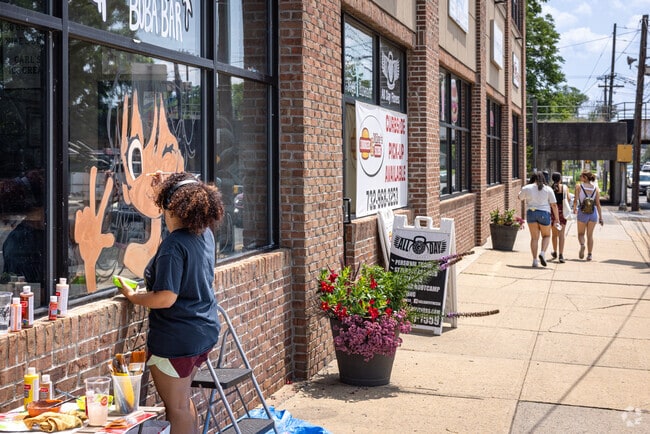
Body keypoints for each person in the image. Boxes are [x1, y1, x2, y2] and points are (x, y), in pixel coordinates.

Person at [116, 172, 224, 434]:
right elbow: (191, 188)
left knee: (175, 408)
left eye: (163, 200)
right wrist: (169, 183)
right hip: (203, 331)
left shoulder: (174, 246)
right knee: (183, 402)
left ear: (171, 206)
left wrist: (133, 297)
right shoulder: (204, 234)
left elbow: (165, 298)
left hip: (177, 338)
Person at [518, 172, 560, 267]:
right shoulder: (548, 189)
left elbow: (519, 198)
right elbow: (554, 204)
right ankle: (542, 253)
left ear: (532, 179)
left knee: (534, 238)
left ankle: (534, 260)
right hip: (544, 213)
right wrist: (557, 219)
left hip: (531, 213)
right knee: (546, 236)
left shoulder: (527, 187)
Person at [572, 170, 603, 261]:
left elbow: (575, 200)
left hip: (582, 212)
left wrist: (574, 209)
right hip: (593, 213)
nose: (580, 178)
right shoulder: (596, 188)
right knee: (590, 235)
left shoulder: (579, 187)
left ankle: (582, 245)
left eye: (581, 176)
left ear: (585, 178)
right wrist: (600, 217)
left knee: (580, 234)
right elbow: (598, 204)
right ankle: (589, 255)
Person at [550, 172, 568, 263]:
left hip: (553, 212)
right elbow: (567, 199)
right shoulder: (564, 188)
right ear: (560, 178)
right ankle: (561, 255)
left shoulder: (550, 188)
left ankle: (555, 252)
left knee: (554, 235)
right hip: (563, 212)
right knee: (562, 234)